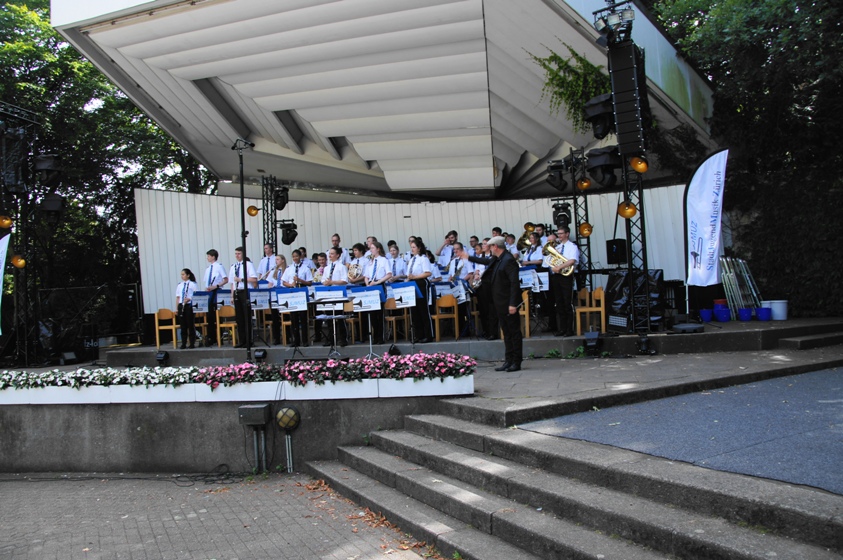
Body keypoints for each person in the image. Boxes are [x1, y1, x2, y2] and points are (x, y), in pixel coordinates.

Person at [465, 236, 523, 371]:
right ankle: (508, 360)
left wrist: (513, 303)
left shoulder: (508, 260)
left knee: (514, 332)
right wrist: (468, 257)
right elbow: (485, 261)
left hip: (508, 302)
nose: (489, 249)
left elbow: (514, 283)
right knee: (506, 332)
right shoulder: (497, 259)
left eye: (490, 247)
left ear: (495, 247)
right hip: (499, 302)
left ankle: (516, 361)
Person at [549, 225, 579, 337]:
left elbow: (572, 261)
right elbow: (552, 259)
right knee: (559, 303)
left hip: (566, 276)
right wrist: (554, 267)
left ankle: (569, 330)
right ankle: (562, 328)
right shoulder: (558, 247)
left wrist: (559, 267)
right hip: (557, 276)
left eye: (561, 233)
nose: (559, 236)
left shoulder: (572, 247)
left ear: (567, 234)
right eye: (558, 234)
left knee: (567, 303)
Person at [280, 249, 313, 346]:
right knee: (293, 317)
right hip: (292, 291)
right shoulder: (289, 268)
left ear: (300, 257)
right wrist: (290, 285)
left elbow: (309, 282)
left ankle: (305, 340)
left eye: (297, 256)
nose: (295, 258)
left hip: (301, 290)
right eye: (293, 256)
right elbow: (283, 281)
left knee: (303, 317)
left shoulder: (305, 268)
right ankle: (296, 340)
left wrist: (300, 280)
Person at [363, 240, 392, 344]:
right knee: (372, 313)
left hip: (379, 284)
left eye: (373, 248)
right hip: (371, 286)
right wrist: (367, 283)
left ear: (378, 249)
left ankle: (381, 337)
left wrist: (377, 282)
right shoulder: (370, 262)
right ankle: (375, 336)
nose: (371, 250)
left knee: (379, 312)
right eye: (370, 248)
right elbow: (366, 276)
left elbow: (389, 274)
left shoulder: (383, 260)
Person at [320, 247, 349, 347]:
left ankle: (343, 339)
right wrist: (326, 282)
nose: (330, 255)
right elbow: (323, 280)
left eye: (332, 254)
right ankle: (331, 339)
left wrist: (332, 282)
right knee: (329, 317)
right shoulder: (327, 268)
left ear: (338, 255)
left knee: (339, 317)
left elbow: (344, 280)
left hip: (339, 294)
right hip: (329, 294)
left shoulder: (342, 267)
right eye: (329, 254)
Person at [229, 246, 257, 348]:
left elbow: (254, 279)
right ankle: (242, 340)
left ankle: (249, 340)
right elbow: (232, 283)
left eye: (239, 254)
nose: (237, 255)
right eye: (236, 254)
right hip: (237, 291)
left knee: (246, 316)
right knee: (239, 318)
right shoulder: (233, 266)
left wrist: (241, 279)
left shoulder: (248, 265)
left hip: (245, 291)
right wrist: (232, 296)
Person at [406, 238, 433, 343]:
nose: (412, 249)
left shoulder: (423, 258)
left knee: (423, 309)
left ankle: (428, 335)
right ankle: (419, 335)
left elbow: (428, 273)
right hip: (412, 283)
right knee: (415, 311)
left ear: (419, 248)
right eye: (411, 247)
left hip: (421, 283)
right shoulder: (412, 259)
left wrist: (415, 277)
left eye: (414, 247)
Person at [202, 249, 228, 346]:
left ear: (213, 256)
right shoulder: (208, 269)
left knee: (216, 315)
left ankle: (219, 337)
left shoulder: (219, 266)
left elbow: (225, 279)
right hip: (209, 292)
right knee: (210, 316)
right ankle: (211, 337)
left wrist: (216, 286)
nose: (207, 258)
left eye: (209, 256)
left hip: (217, 291)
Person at [175, 268, 198, 349]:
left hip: (189, 305)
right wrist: (177, 308)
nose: (182, 276)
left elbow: (196, 295)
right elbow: (178, 297)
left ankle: (192, 343)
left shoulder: (192, 284)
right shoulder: (180, 285)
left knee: (190, 324)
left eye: (183, 274)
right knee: (183, 325)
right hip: (182, 305)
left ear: (188, 275)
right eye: (181, 275)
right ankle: (183, 343)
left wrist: (189, 299)